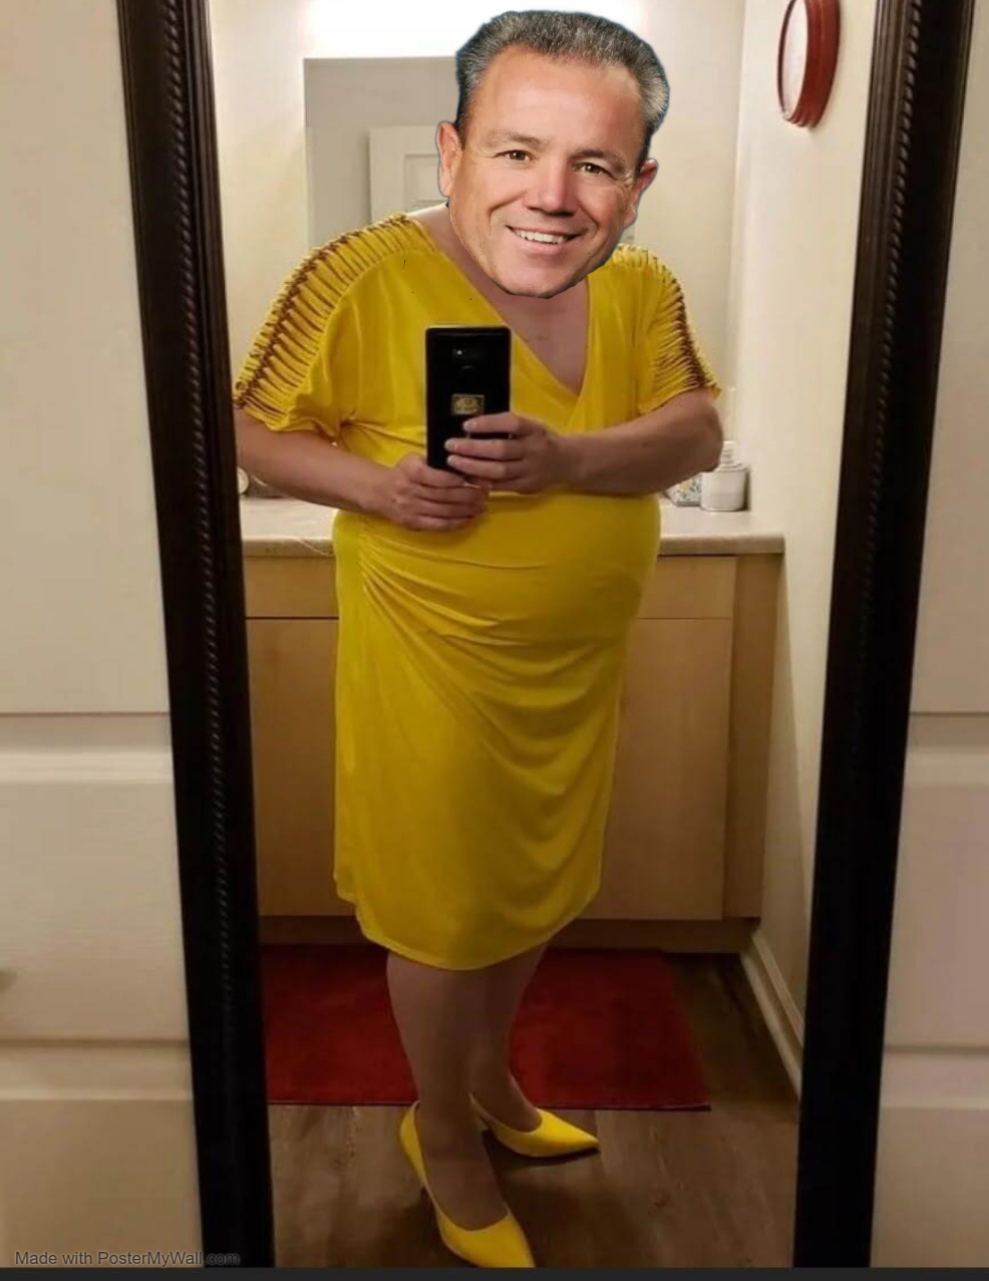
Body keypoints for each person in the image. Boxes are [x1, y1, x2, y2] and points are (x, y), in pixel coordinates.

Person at [234, 9, 722, 1268]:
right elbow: (238, 426)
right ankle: (440, 1132)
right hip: (431, 668)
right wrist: (377, 486)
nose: (550, 196)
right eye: (515, 152)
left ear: (636, 183)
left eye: (593, 165)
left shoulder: (642, 286)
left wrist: (565, 459)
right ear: (452, 150)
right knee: (444, 918)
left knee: (533, 895)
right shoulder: (356, 275)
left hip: (574, 674)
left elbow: (693, 432)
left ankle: (493, 1083)